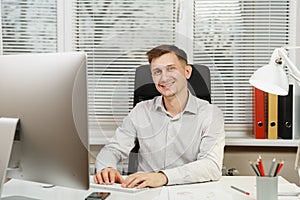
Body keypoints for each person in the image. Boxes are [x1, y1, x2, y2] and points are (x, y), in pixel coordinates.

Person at [94, 44, 225, 189]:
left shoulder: (211, 114)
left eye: (171, 69)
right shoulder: (141, 110)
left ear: (187, 72)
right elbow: (113, 149)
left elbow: (211, 165)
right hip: (145, 192)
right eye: (157, 72)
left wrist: (163, 177)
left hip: (190, 191)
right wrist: (106, 168)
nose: (163, 78)